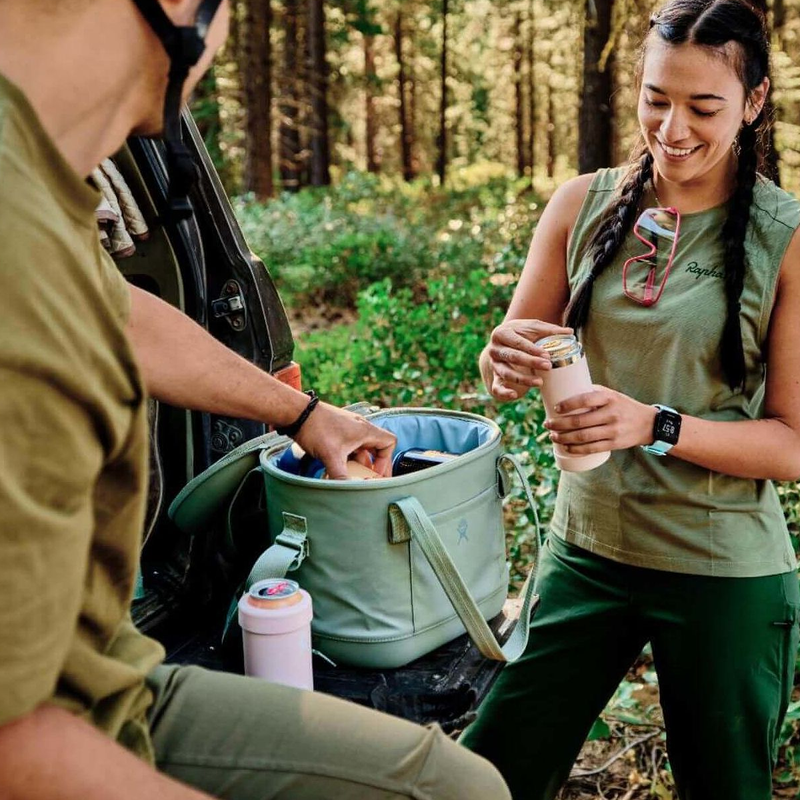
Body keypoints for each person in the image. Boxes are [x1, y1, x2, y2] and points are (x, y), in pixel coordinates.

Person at [0, 1, 511, 798]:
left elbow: (121, 312)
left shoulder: (32, 181)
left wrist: (307, 417)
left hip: (106, 681)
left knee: (455, 787)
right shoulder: (15, 253)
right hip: (49, 720)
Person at [460, 1, 800, 798]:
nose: (672, 126)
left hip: (723, 573)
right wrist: (497, 362)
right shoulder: (582, 203)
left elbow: (791, 445)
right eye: (656, 97)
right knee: (485, 775)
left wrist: (655, 424)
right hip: (584, 555)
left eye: (703, 105)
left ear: (752, 105)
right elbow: (514, 353)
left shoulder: (784, 237)